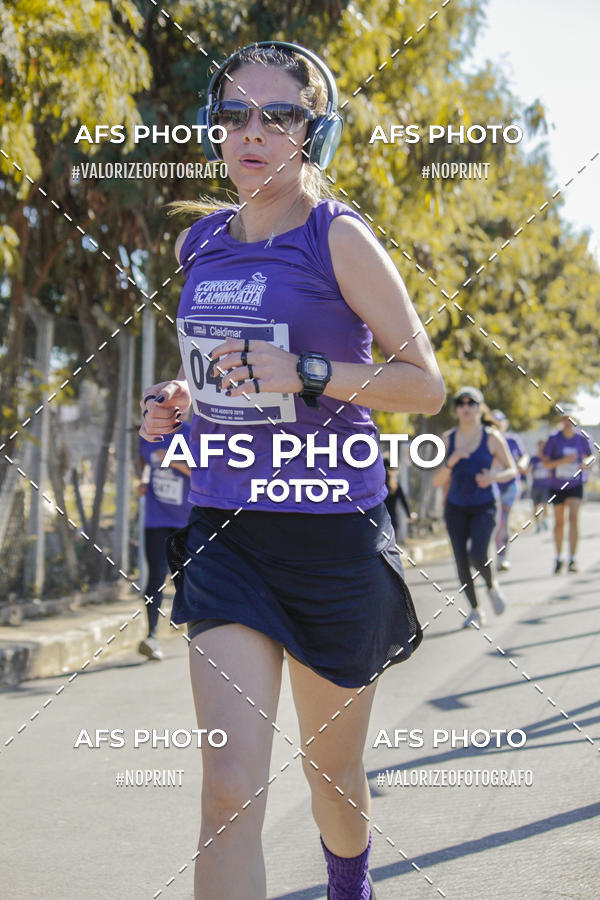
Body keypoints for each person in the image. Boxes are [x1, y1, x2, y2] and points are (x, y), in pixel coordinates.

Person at [139, 41, 444, 900]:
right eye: (234, 114)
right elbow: (218, 373)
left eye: (280, 115)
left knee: (333, 784)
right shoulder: (202, 243)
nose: (253, 131)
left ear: (317, 133)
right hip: (225, 532)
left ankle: (349, 879)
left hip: (331, 540)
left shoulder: (336, 236)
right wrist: (180, 400)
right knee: (230, 788)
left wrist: (310, 374)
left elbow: (425, 386)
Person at [433, 387, 517, 628]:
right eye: (461, 403)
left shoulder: (492, 437)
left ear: (480, 408)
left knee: (478, 554)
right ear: (456, 409)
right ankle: (475, 610)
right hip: (456, 507)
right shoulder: (447, 439)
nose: (466, 407)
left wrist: (493, 476)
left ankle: (491, 586)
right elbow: (437, 480)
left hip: (485, 506)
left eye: (471, 403)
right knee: (461, 561)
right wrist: (453, 460)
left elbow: (511, 469)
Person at [137, 420, 193, 659]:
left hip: (185, 520)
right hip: (156, 518)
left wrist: (172, 462)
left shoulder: (192, 434)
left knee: (188, 578)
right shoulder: (148, 434)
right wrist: (143, 480)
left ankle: (197, 634)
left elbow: (203, 471)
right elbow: (143, 461)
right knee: (156, 577)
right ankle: (151, 636)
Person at [543, 410, 594, 574]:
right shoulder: (553, 439)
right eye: (565, 419)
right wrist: (563, 461)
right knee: (559, 522)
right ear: (561, 421)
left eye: (571, 420)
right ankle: (559, 557)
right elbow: (546, 464)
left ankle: (572, 559)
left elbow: (591, 457)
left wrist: (585, 463)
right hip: (557, 485)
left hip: (575, 483)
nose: (568, 423)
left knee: (573, 518)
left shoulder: (582, 437)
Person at [490, 409, 528, 571]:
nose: (496, 427)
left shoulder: (513, 440)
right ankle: (482, 557)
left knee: (502, 521)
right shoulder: (487, 440)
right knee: (492, 523)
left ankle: (501, 557)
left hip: (511, 486)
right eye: (493, 423)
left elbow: (524, 456)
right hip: (492, 486)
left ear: (505, 424)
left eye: (499, 423)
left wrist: (522, 464)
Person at [527, 439, 550, 532]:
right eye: (541, 445)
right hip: (535, 485)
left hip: (545, 485)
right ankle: (538, 525)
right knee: (535, 506)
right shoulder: (534, 459)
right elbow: (528, 470)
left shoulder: (548, 458)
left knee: (545, 505)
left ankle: (544, 520)